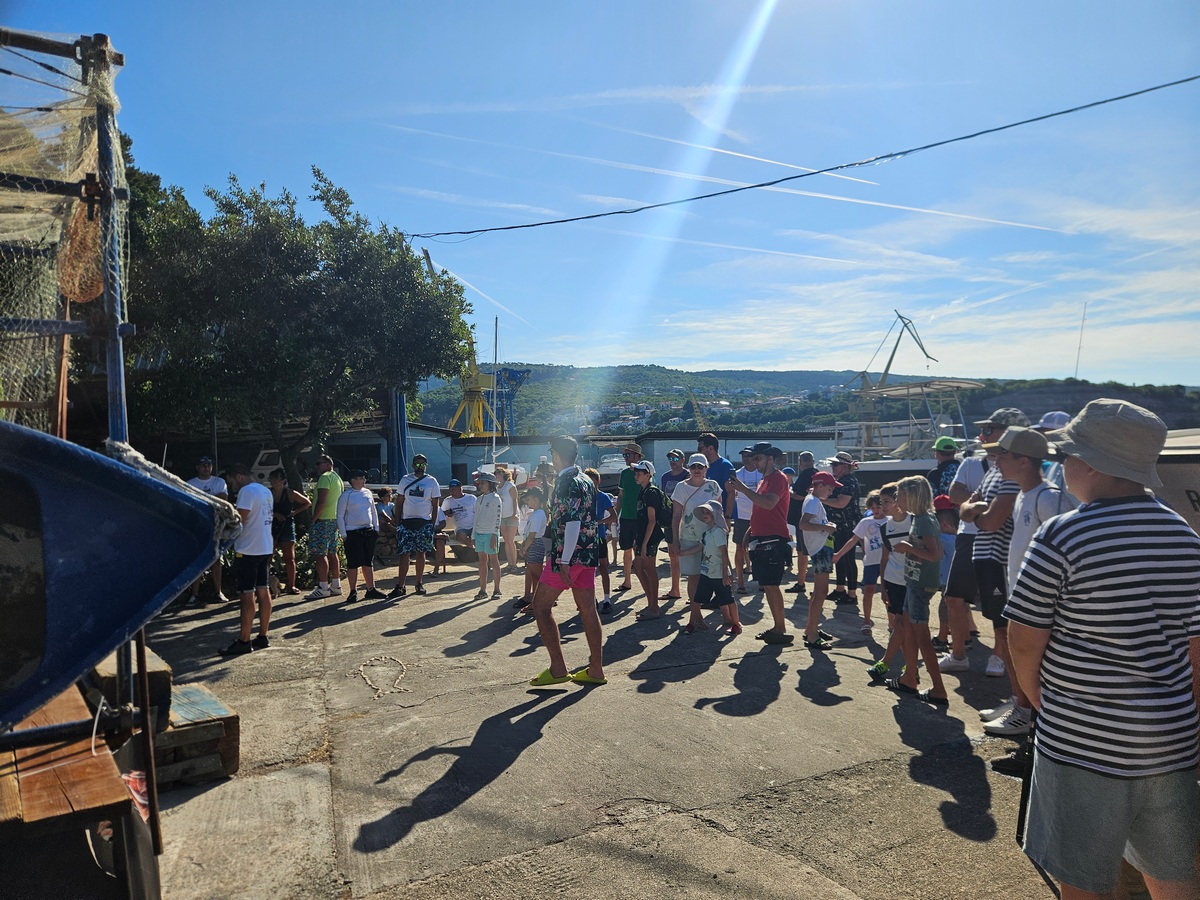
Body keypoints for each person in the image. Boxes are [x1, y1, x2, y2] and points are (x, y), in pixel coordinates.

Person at [1006, 399, 1200, 899]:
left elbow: (1023, 638)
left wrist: (1040, 700)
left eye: (1066, 455)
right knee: (1173, 871)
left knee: (1082, 878)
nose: (1061, 464)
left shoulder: (1062, 534)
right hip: (1171, 740)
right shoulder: (1184, 536)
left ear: (1091, 464)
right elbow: (1197, 647)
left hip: (1082, 739)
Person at [982, 426, 1072, 759]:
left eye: (1002, 455)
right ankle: (1021, 707)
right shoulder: (1024, 495)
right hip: (1021, 598)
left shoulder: (1048, 498)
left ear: (1023, 461)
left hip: (1042, 609)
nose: (996, 461)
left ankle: (1031, 735)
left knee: (1039, 669)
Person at [959, 408, 1031, 732]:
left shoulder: (1013, 472)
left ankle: (1025, 709)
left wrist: (975, 511)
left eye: (990, 429)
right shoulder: (996, 468)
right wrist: (976, 510)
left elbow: (991, 520)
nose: (983, 435)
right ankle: (1018, 700)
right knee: (1002, 631)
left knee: (1009, 633)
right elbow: (965, 507)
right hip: (987, 557)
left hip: (1002, 560)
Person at [528, 435, 606, 687]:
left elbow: (571, 523)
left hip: (568, 555)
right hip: (588, 553)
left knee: (541, 607)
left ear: (555, 455)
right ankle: (596, 669)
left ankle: (558, 668)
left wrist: (563, 561)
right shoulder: (585, 479)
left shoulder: (566, 482)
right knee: (588, 609)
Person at [888, 476, 948, 705]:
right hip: (914, 582)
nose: (897, 500)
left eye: (900, 495)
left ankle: (938, 689)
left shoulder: (923, 520)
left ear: (913, 496)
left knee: (922, 636)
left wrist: (907, 547)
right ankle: (909, 678)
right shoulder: (922, 518)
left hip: (920, 585)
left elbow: (935, 554)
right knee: (907, 628)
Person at [728, 441, 792, 645]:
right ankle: (777, 627)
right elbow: (760, 508)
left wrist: (743, 489)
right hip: (762, 536)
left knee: (771, 585)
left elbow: (769, 503)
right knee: (767, 584)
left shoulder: (777, 478)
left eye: (758, 458)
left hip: (773, 537)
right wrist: (750, 531)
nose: (754, 462)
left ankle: (780, 628)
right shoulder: (765, 480)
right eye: (753, 458)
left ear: (770, 459)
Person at [218, 464, 275, 656]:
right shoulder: (265, 490)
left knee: (247, 594)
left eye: (231, 481)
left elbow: (239, 520)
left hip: (248, 549)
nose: (231, 486)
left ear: (239, 477)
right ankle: (263, 636)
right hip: (264, 546)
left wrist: (223, 530)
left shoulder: (246, 491)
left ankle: (244, 640)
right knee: (263, 590)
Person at [679, 500, 741, 635]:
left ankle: (736, 624)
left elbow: (724, 553)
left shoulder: (718, 532)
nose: (705, 515)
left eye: (708, 512)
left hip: (719, 573)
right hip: (706, 572)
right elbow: (700, 547)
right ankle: (692, 622)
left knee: (728, 599)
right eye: (703, 512)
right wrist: (682, 553)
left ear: (716, 515)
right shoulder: (707, 531)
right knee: (697, 599)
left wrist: (725, 574)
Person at [868, 484, 910, 681]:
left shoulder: (915, 522)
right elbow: (884, 558)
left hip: (912, 583)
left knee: (903, 625)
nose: (882, 506)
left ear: (898, 501)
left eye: (886, 501)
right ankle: (909, 667)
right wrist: (883, 586)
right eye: (881, 502)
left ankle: (887, 662)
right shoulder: (885, 527)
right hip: (893, 581)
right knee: (899, 624)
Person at [671, 454, 723, 610]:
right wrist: (675, 540)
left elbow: (718, 513)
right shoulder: (681, 487)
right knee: (694, 576)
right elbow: (676, 515)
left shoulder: (713, 486)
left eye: (700, 466)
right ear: (688, 468)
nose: (697, 469)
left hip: (711, 538)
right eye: (693, 466)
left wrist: (723, 536)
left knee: (713, 574)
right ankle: (696, 613)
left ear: (706, 468)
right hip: (689, 537)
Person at [831, 490, 886, 634]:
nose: (876, 510)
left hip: (888, 562)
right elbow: (853, 540)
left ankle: (892, 622)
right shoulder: (866, 522)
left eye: (878, 507)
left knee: (888, 593)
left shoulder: (891, 520)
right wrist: (839, 554)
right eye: (872, 508)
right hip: (871, 562)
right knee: (868, 590)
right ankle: (866, 621)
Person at [797, 472, 840, 648]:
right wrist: (825, 527)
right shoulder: (813, 501)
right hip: (820, 549)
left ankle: (811, 628)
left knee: (818, 592)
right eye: (829, 488)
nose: (831, 492)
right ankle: (813, 635)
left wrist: (825, 526)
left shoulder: (813, 500)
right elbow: (803, 524)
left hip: (821, 548)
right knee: (821, 592)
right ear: (820, 486)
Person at [389, 453, 441, 598]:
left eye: (423, 464)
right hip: (407, 522)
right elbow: (399, 502)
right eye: (417, 464)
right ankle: (401, 585)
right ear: (413, 465)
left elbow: (435, 505)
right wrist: (398, 521)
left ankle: (419, 583)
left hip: (424, 522)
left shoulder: (432, 482)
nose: (420, 467)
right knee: (404, 554)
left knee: (421, 553)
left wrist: (432, 524)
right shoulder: (405, 480)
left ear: (426, 466)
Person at [187, 456, 233, 604]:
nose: (206, 468)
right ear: (197, 467)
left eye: (209, 465)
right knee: (198, 560)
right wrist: (213, 498)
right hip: (198, 526)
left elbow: (223, 500)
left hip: (216, 525)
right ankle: (194, 594)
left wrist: (203, 499)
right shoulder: (190, 483)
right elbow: (191, 504)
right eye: (203, 465)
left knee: (216, 559)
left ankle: (218, 592)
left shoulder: (219, 482)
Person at [336, 470, 384, 603]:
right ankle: (353, 591)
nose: (363, 481)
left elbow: (373, 511)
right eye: (360, 479)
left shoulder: (368, 493)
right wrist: (344, 534)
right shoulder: (346, 495)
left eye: (364, 478)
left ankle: (371, 588)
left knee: (367, 561)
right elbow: (339, 515)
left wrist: (376, 528)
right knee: (353, 563)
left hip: (368, 530)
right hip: (352, 532)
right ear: (353, 480)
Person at [824, 452, 862, 607]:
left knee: (848, 559)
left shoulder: (849, 481)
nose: (832, 467)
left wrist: (821, 499)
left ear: (845, 467)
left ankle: (852, 593)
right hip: (839, 526)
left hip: (848, 526)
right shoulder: (841, 480)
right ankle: (840, 589)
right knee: (839, 557)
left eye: (835, 464)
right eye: (832, 464)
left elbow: (841, 503)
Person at [630, 460, 667, 620]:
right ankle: (651, 602)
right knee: (638, 568)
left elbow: (652, 521)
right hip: (643, 536)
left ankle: (654, 607)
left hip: (650, 536)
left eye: (639, 473)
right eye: (636, 472)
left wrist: (644, 544)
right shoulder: (643, 491)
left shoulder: (651, 492)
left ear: (648, 475)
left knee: (649, 569)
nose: (636, 475)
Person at [267, 468, 311, 596]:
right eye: (271, 479)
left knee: (289, 558)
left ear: (283, 481)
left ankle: (291, 585)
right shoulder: (268, 493)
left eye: (276, 479)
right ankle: (264, 584)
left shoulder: (290, 493)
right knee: (267, 556)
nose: (273, 482)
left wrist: (295, 512)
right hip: (271, 526)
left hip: (286, 526)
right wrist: (275, 514)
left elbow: (307, 503)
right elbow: (262, 508)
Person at [305, 455, 344, 600]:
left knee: (320, 554)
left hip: (323, 519)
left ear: (328, 464)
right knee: (332, 552)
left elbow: (321, 501)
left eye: (319, 463)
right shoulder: (337, 478)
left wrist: (314, 519)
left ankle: (323, 587)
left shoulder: (325, 477)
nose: (317, 466)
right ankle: (336, 585)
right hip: (334, 519)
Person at [729, 447, 762, 594]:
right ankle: (741, 583)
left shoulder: (761, 473)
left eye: (749, 456)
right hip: (742, 517)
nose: (746, 459)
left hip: (759, 516)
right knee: (739, 548)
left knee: (760, 550)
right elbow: (733, 494)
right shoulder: (737, 474)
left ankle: (761, 581)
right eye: (743, 456)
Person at [584, 468, 616, 613]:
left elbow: (613, 516)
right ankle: (591, 599)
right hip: (586, 538)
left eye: (593, 481)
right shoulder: (583, 497)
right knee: (589, 569)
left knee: (603, 567)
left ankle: (607, 599)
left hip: (600, 537)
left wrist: (599, 522)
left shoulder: (603, 497)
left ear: (598, 481)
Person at [786, 451, 818, 595]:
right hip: (814, 518)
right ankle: (813, 584)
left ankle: (801, 582)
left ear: (800, 463)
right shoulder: (817, 474)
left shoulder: (806, 475)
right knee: (812, 551)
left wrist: (789, 491)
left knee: (802, 552)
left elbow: (800, 496)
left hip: (803, 519)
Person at [614, 442, 643, 591]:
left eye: (628, 455)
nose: (625, 457)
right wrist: (616, 514)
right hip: (626, 517)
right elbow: (620, 495)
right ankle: (627, 581)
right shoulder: (624, 473)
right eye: (624, 455)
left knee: (640, 551)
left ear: (637, 456)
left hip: (640, 518)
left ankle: (644, 581)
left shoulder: (645, 472)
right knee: (626, 549)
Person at [659, 449, 687, 601]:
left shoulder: (688, 475)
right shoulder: (665, 477)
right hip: (670, 519)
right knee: (673, 555)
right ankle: (675, 589)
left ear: (682, 459)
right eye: (670, 458)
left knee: (693, 555)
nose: (672, 461)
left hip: (687, 520)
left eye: (675, 458)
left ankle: (696, 592)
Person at [472, 472, 502, 601]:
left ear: (490, 484)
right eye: (479, 483)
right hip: (479, 533)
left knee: (494, 561)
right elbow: (476, 518)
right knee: (482, 561)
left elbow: (498, 517)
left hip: (490, 533)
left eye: (483, 483)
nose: (480, 485)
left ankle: (497, 589)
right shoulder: (479, 499)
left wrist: (495, 534)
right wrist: (473, 535)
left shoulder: (495, 498)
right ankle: (483, 590)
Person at [517, 488, 547, 609]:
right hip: (533, 543)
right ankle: (535, 601)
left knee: (536, 575)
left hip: (535, 544)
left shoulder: (539, 514)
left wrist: (524, 548)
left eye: (529, 499)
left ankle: (538, 602)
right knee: (533, 573)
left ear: (536, 499)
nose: (527, 502)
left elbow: (532, 534)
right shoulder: (535, 513)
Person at [695, 432, 734, 512]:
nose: (699, 452)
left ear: (711, 449)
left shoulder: (725, 466)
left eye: (700, 449)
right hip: (707, 513)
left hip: (721, 513)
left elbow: (731, 493)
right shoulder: (703, 467)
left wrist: (727, 516)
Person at [495, 465, 521, 573]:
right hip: (502, 517)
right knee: (506, 541)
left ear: (502, 475)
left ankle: (514, 564)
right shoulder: (497, 488)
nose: (496, 476)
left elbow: (515, 500)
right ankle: (509, 563)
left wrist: (514, 514)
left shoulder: (510, 485)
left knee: (510, 541)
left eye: (497, 474)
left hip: (511, 516)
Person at [441, 479, 476, 549]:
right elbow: (441, 513)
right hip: (461, 528)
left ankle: (476, 549)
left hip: (474, 527)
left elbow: (478, 512)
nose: (451, 492)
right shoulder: (448, 501)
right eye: (450, 490)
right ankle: (475, 548)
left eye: (454, 490)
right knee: (462, 537)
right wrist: (446, 513)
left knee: (480, 536)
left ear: (460, 489)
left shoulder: (471, 498)